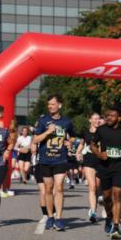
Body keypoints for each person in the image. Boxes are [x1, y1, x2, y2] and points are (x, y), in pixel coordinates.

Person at [32, 94, 75, 231]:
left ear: (59, 105)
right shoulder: (43, 121)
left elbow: (73, 137)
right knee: (49, 189)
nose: (50, 106)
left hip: (60, 159)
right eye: (49, 104)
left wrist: (70, 142)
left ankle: (59, 218)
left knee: (59, 187)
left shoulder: (67, 122)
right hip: (45, 160)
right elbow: (35, 140)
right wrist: (47, 132)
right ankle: (50, 216)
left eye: (53, 104)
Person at [91, 104, 121, 240]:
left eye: (112, 116)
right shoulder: (101, 130)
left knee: (117, 195)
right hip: (105, 167)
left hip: (120, 167)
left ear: (119, 118)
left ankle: (116, 227)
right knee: (106, 198)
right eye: (108, 115)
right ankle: (109, 217)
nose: (109, 118)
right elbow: (92, 144)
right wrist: (98, 154)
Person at [78, 112, 102, 222]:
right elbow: (82, 143)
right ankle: (93, 212)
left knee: (97, 186)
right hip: (88, 160)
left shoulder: (103, 131)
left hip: (101, 160)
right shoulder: (85, 131)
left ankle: (95, 206)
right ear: (90, 120)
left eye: (99, 119)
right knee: (92, 186)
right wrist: (78, 152)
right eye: (95, 119)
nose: (97, 120)